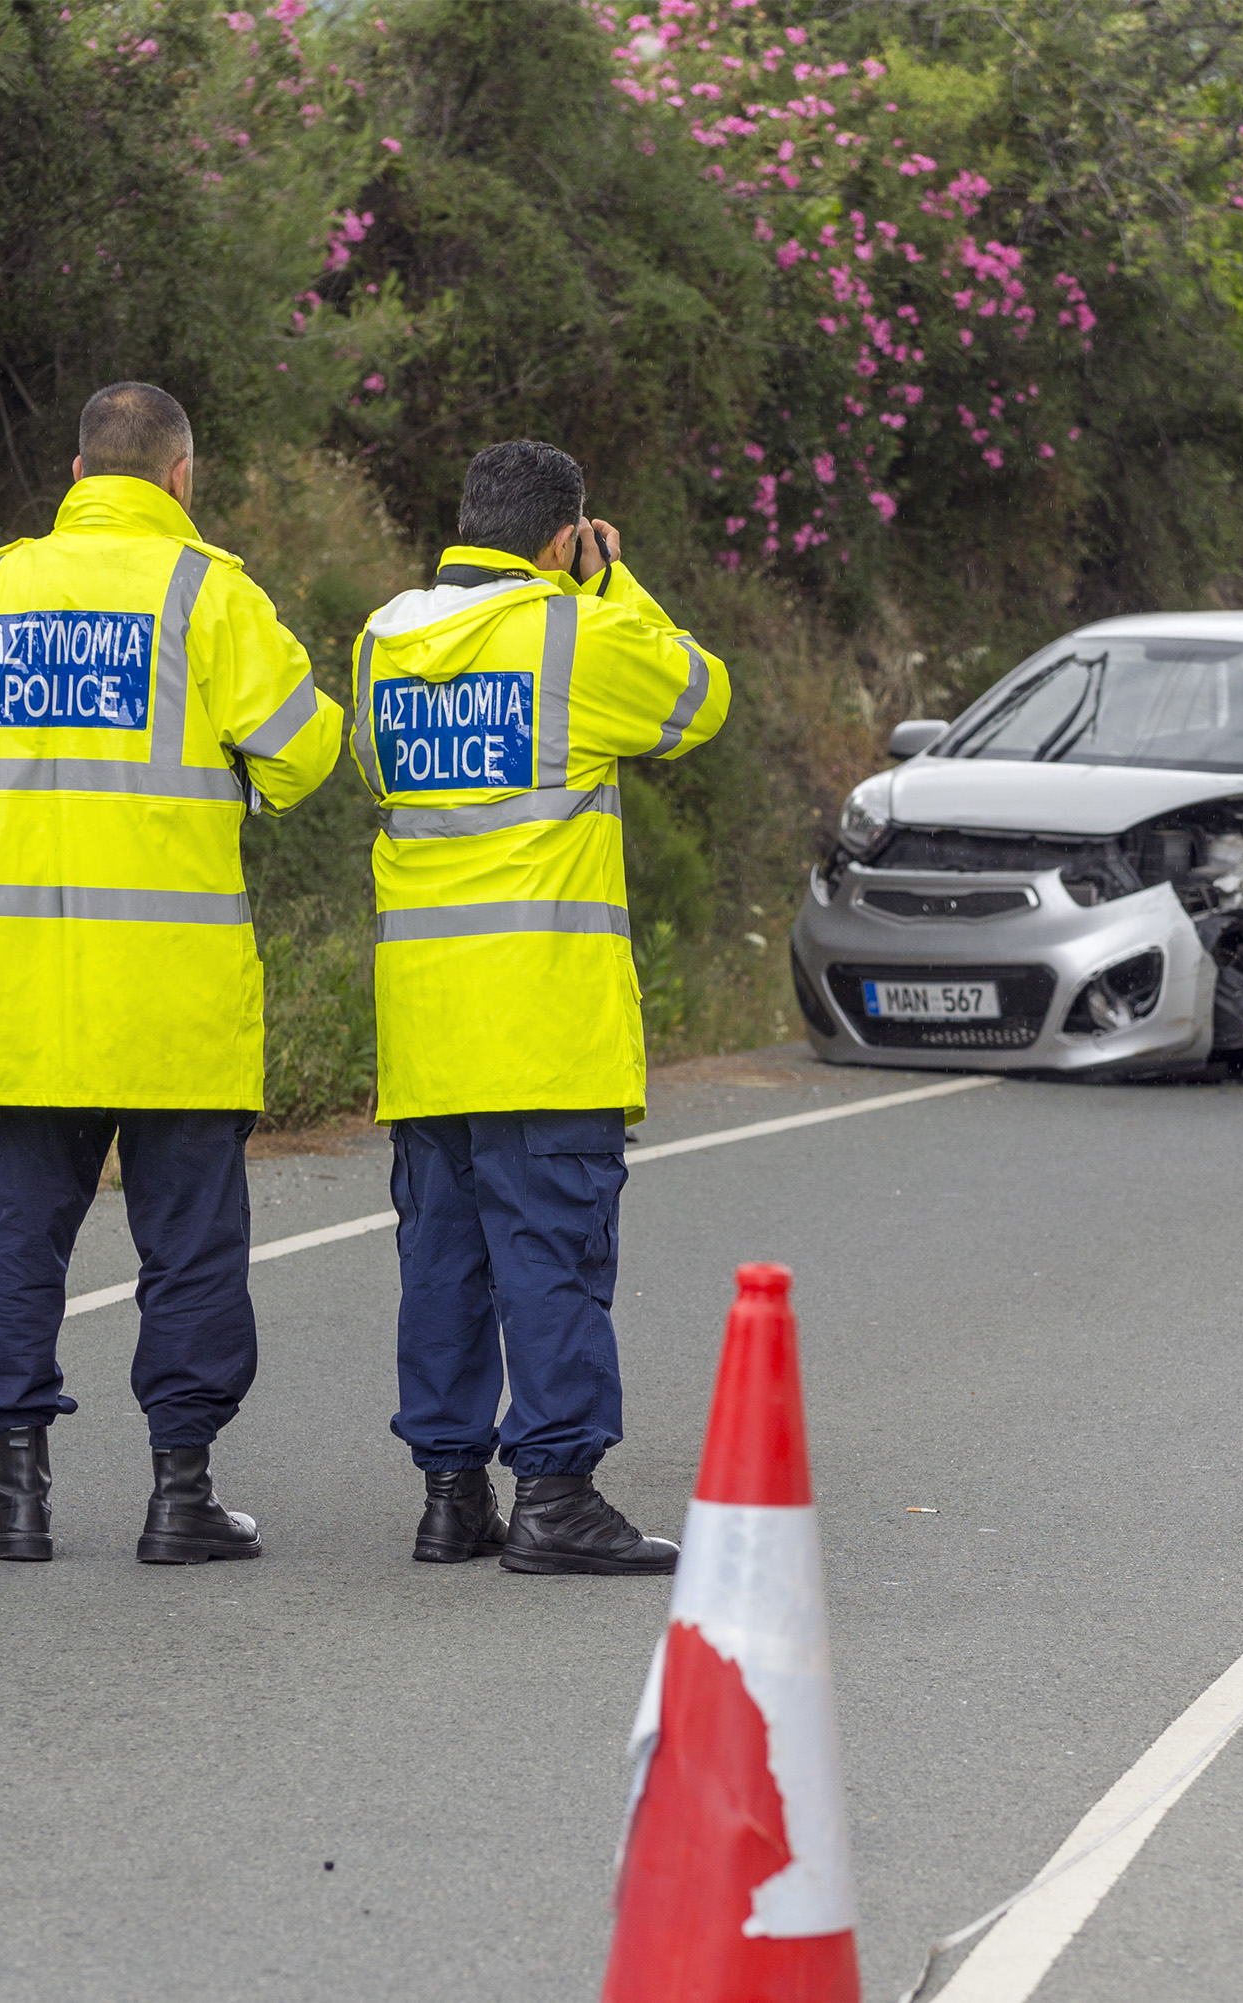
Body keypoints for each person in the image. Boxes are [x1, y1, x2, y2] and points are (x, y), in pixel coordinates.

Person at [0, 382, 343, 1566]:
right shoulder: (206, 593)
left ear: (73, 478)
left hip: (19, 988)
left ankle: (16, 1502)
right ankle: (182, 1498)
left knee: (21, 1237)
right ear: (180, 479)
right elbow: (305, 749)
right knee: (193, 1248)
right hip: (175, 993)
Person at [354, 440, 729, 1575]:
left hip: (426, 1025)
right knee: (553, 1259)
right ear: (562, 537)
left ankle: (451, 1495)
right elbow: (698, 696)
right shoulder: (577, 628)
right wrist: (612, 582)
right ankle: (558, 1495)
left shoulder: (380, 641)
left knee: (444, 1264)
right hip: (546, 1021)